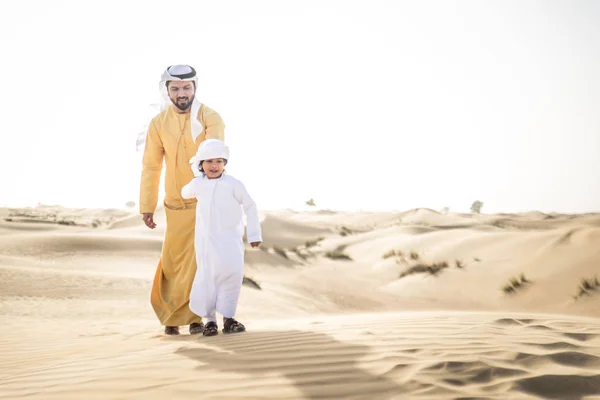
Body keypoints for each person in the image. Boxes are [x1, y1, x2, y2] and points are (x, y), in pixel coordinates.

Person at [139, 64, 225, 335]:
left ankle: (196, 317)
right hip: (174, 203)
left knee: (199, 261)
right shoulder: (158, 123)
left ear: (195, 88)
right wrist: (146, 205)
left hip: (204, 202)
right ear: (167, 91)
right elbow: (151, 166)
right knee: (173, 262)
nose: (181, 93)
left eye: (187, 87)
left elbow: (215, 160)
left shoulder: (211, 118)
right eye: (175, 88)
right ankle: (171, 316)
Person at [181, 139, 262, 336]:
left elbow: (250, 206)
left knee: (232, 277)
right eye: (208, 161)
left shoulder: (234, 184)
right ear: (201, 164)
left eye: (219, 161)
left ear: (225, 163)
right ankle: (210, 321)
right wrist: (196, 174)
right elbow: (184, 193)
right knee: (208, 279)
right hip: (206, 244)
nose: (214, 166)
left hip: (230, 242)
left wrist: (253, 234)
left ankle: (228, 319)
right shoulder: (198, 184)